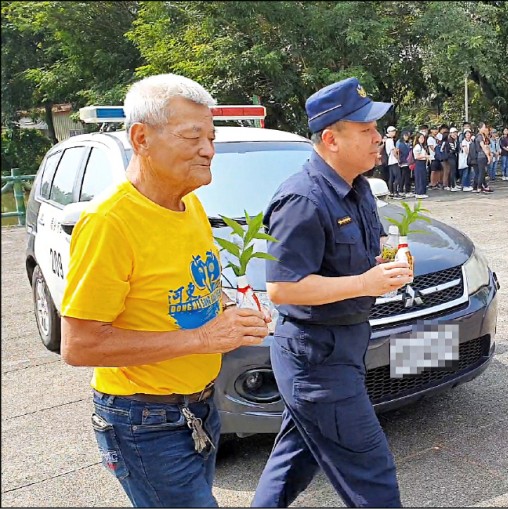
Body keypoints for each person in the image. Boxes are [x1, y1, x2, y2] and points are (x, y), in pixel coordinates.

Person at [60, 73, 271, 508]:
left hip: (202, 406)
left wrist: (237, 310)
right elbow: (79, 345)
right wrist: (202, 339)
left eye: (210, 136)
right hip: (144, 420)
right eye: (193, 136)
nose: (209, 150)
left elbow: (198, 288)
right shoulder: (109, 222)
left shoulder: (187, 201)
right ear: (141, 138)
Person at [251, 77, 413, 508]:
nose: (378, 137)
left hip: (343, 347)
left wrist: (387, 265)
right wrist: (364, 283)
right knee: (372, 475)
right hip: (316, 358)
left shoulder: (357, 188)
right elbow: (283, 288)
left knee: (293, 462)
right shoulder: (303, 199)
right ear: (331, 139)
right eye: (365, 130)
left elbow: (360, 256)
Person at [413, 132, 430, 198]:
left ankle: (422, 192)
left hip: (423, 163)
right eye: (421, 138)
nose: (422, 139)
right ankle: (419, 192)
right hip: (419, 163)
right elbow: (416, 156)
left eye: (423, 138)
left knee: (423, 177)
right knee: (420, 177)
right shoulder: (417, 146)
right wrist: (425, 156)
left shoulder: (421, 146)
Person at [384, 126, 400, 198]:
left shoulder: (387, 140)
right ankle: (395, 193)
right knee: (397, 176)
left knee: (391, 177)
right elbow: (393, 151)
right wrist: (398, 159)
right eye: (393, 131)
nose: (394, 132)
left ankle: (391, 192)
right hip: (393, 161)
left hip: (390, 161)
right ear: (389, 132)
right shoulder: (390, 140)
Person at [397, 130, 412, 198]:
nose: (406, 137)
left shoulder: (405, 143)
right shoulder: (401, 144)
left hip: (405, 162)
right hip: (405, 162)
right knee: (406, 177)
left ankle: (401, 190)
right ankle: (407, 191)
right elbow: (406, 153)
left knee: (404, 177)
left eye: (407, 136)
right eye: (405, 136)